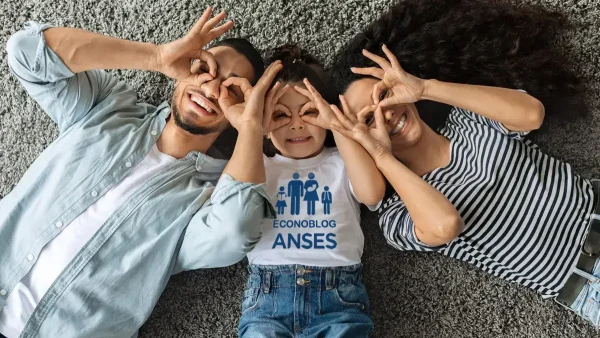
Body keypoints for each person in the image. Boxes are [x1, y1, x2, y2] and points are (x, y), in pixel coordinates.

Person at [0, 7, 281, 337]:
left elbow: (234, 233)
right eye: (206, 68)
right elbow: (26, 51)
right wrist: (158, 57)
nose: (211, 88)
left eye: (232, 90)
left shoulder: (206, 198)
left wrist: (250, 127)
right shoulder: (109, 106)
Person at [329, 0, 600, 327]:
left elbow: (532, 113)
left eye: (384, 95)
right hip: (586, 287)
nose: (386, 114)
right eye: (369, 118)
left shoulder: (467, 120)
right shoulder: (398, 215)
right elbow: (445, 225)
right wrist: (382, 156)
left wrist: (425, 88)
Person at [237, 44, 385, 338]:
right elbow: (234, 199)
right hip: (268, 295)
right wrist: (251, 130)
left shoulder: (342, 160)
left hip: (338, 295)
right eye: (280, 115)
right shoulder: (256, 162)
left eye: (309, 112)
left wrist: (338, 128)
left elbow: (372, 195)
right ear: (265, 123)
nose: (296, 125)